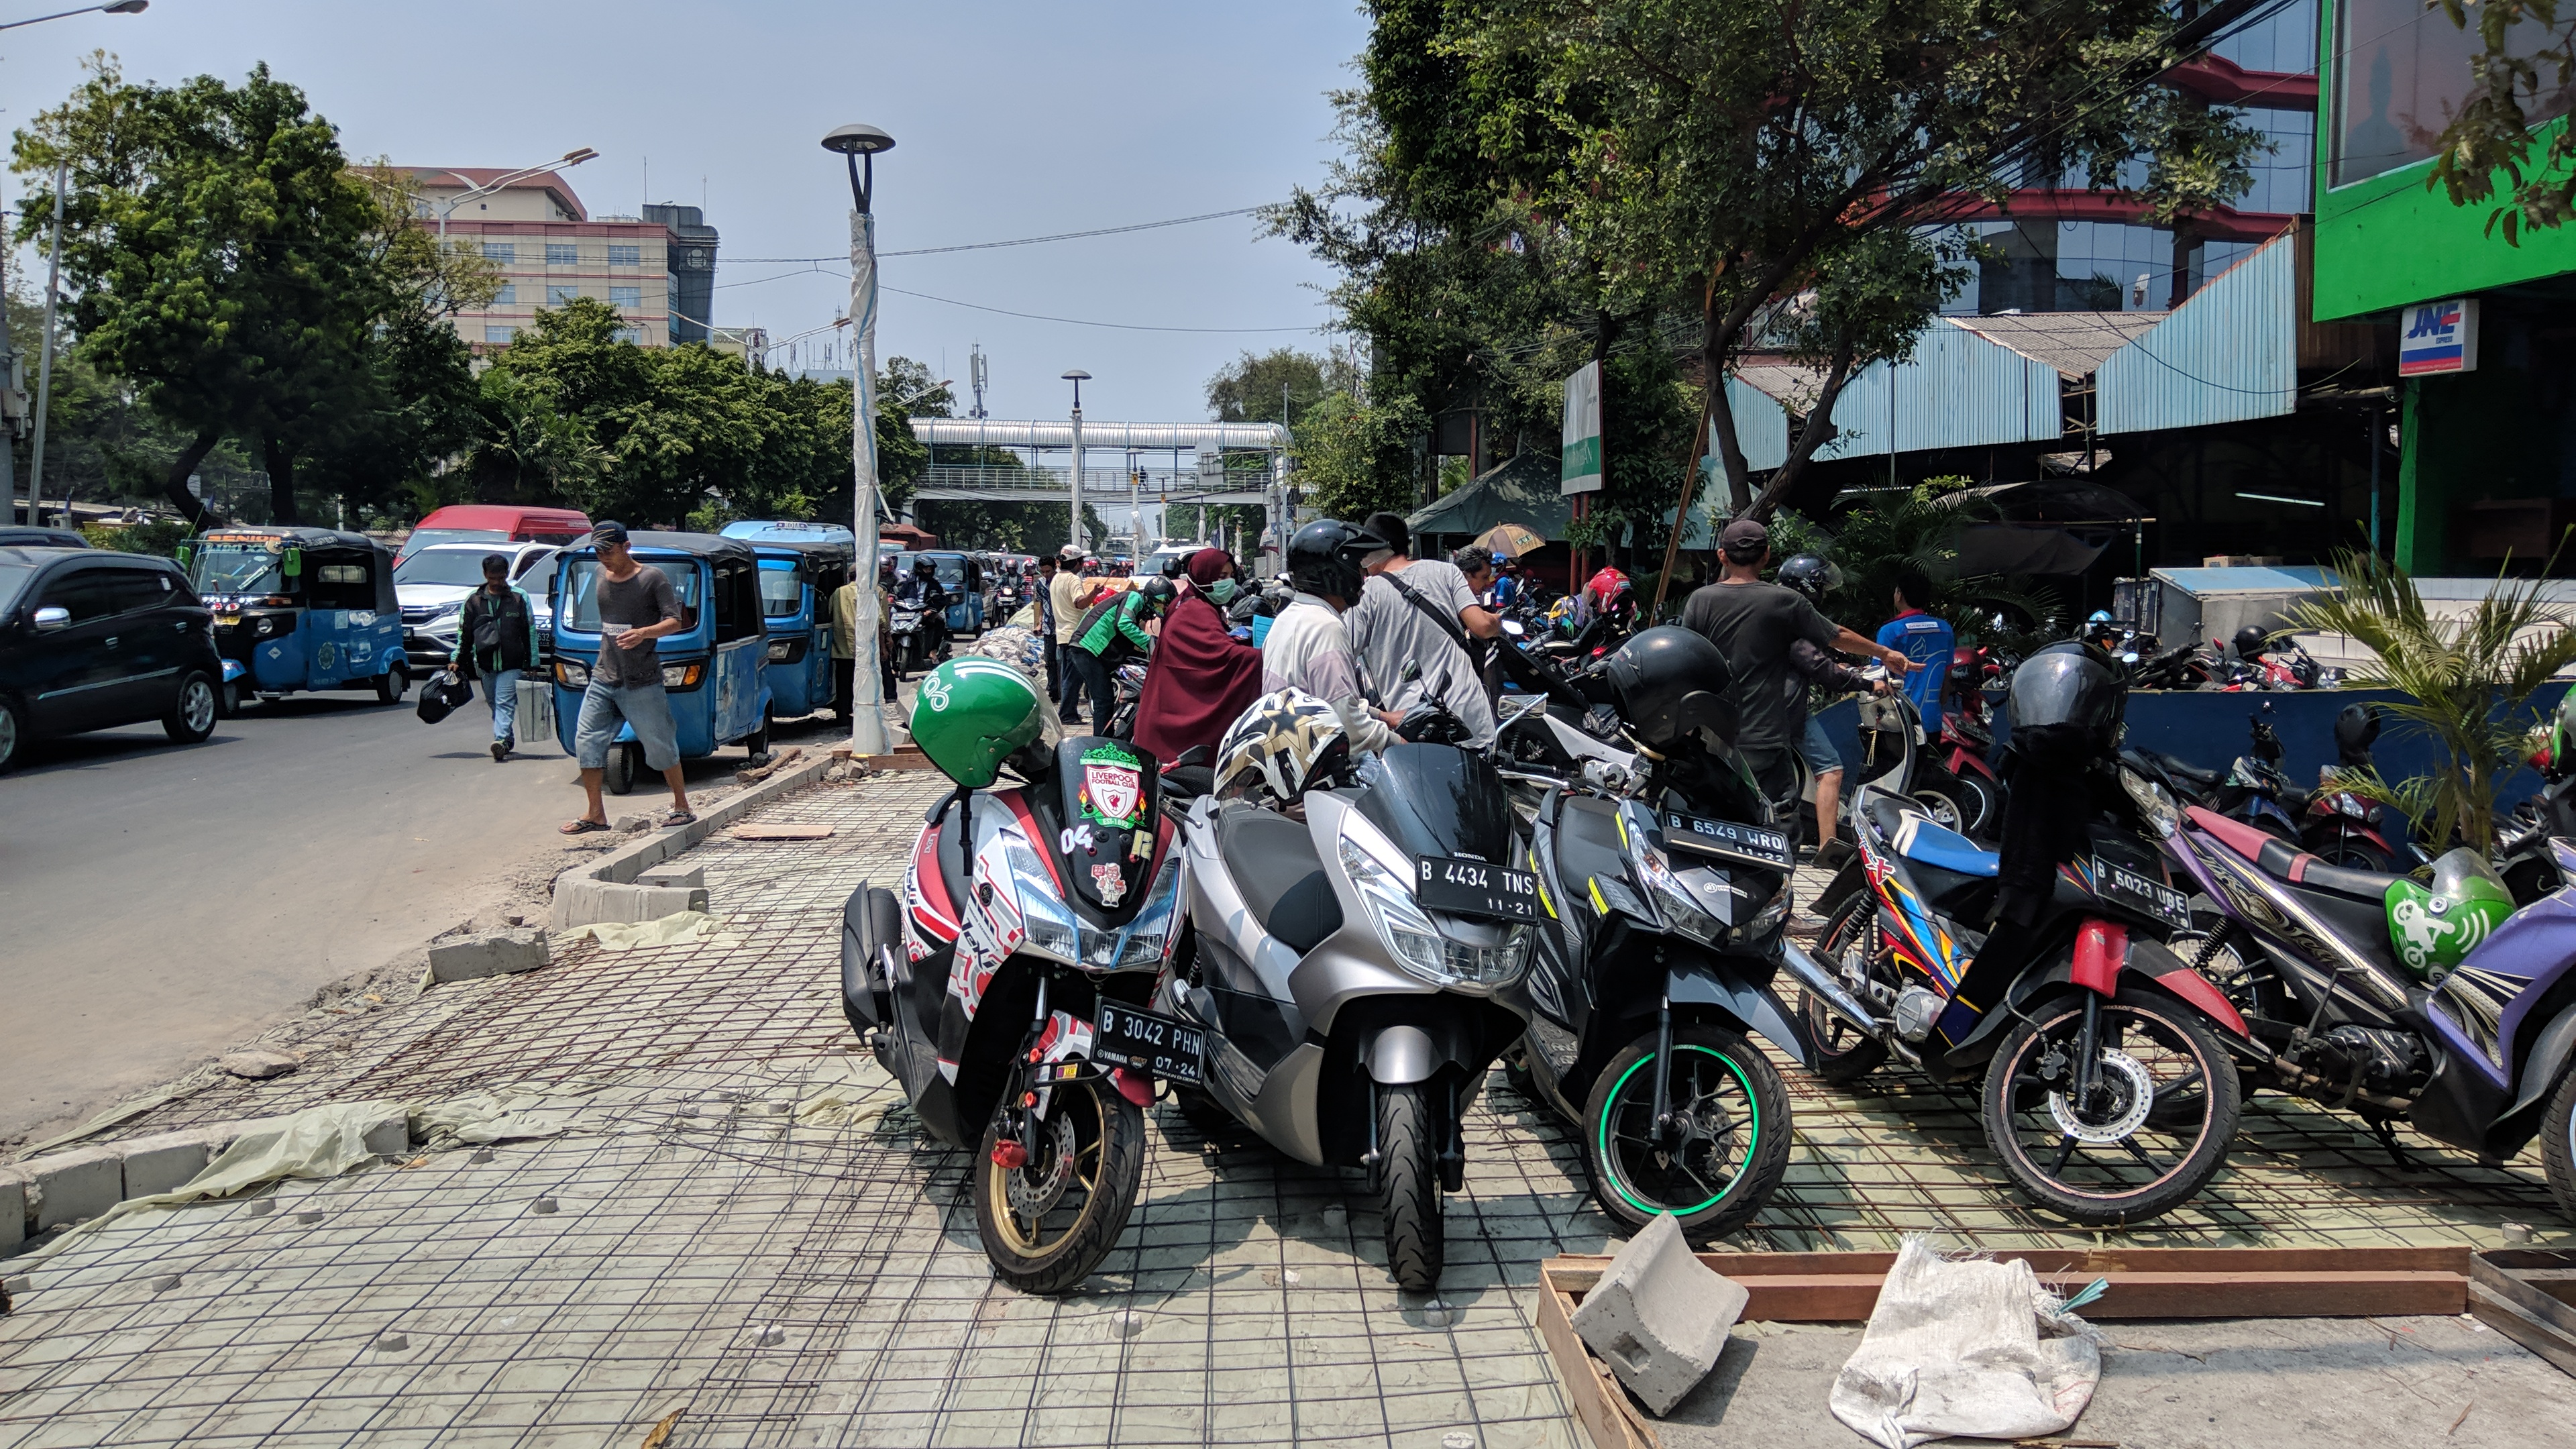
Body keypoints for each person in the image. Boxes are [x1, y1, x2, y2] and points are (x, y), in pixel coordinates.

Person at [1678, 517, 1919, 815]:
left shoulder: (1700, 600)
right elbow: (1837, 636)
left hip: (1714, 731)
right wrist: (1884, 653)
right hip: (1765, 736)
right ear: (1766, 555)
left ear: (1722, 555)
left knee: (1717, 817)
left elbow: (1688, 658)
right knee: (1777, 821)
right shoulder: (1785, 601)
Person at [564, 522, 694, 833]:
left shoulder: (652, 578)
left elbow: (675, 621)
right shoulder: (598, 575)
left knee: (660, 744)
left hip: (642, 679)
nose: (603, 558)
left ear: (626, 546)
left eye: (608, 551)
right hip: (604, 675)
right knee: (586, 741)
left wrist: (644, 634)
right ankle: (595, 814)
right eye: (598, 552)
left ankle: (682, 807)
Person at [1349, 511, 1499, 744]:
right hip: (1469, 713)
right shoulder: (1446, 571)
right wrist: (1497, 621)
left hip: (1415, 724)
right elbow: (1482, 626)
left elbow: (1343, 659)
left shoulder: (1366, 596)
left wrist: (1371, 713)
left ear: (1377, 549)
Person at [1266, 519, 1406, 756]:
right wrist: (1399, 744)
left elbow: (1320, 698)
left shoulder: (1289, 617)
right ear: (1337, 571)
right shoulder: (1325, 627)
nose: (1363, 577)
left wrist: (1380, 716)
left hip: (1290, 755)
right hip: (1318, 762)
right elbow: (1344, 722)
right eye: (1358, 568)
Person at [1133, 548, 1265, 763]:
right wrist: (1267, 656)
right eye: (1221, 576)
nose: (1228, 582)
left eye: (1231, 576)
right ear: (1203, 576)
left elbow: (1211, 646)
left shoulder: (1188, 603)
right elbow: (1224, 658)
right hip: (1173, 735)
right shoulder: (1193, 611)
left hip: (1164, 714)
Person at [451, 552, 539, 763]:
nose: (497, 582)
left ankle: (499, 739)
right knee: (494, 702)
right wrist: (457, 659)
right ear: (485, 575)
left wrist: (533, 661)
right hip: (485, 663)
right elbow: (465, 633)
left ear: (507, 574)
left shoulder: (519, 597)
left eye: (501, 578)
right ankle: (507, 740)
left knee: (504, 701)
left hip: (512, 662)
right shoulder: (473, 601)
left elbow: (530, 631)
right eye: (493, 578)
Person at [1066, 574, 1173, 737]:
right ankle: (1102, 743)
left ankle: (1107, 738)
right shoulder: (1134, 597)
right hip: (1087, 648)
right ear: (1150, 597)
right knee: (1104, 700)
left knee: (1106, 700)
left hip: (1092, 651)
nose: (1161, 608)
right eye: (1159, 603)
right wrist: (1151, 642)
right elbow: (1123, 624)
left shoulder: (1141, 613)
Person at [1877, 566, 1955, 720]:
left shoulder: (1890, 631)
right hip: (1932, 719)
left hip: (1900, 723)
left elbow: (1878, 676)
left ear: (1899, 595)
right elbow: (1947, 675)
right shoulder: (1945, 629)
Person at [1050, 545, 1099, 725]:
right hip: (1074, 635)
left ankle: (1069, 712)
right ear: (1077, 562)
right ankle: (1068, 715)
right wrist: (1094, 593)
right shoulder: (1073, 580)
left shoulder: (1056, 578)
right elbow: (1079, 603)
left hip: (1062, 634)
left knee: (1067, 677)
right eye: (1082, 561)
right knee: (1073, 679)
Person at [896, 557, 951, 665]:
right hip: (908, 613)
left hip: (925, 612)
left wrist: (931, 611)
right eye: (926, 569)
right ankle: (893, 658)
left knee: (939, 622)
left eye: (930, 569)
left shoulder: (934, 585)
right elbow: (900, 597)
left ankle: (932, 651)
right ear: (919, 569)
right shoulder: (908, 583)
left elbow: (941, 599)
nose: (929, 572)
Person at [828, 574, 859, 722]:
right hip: (860, 646)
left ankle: (842, 714)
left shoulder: (837, 592)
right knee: (859, 682)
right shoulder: (864, 593)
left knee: (842, 682)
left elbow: (829, 612)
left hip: (840, 647)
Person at [1035, 554, 1064, 704]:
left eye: (1048, 571)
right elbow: (1040, 604)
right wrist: (1039, 623)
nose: (1046, 575)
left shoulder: (1061, 581)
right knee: (1050, 660)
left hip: (1063, 626)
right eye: (1043, 572)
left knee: (1062, 660)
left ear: (1055, 568)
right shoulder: (1040, 584)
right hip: (1048, 627)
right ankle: (1053, 691)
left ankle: (1064, 690)